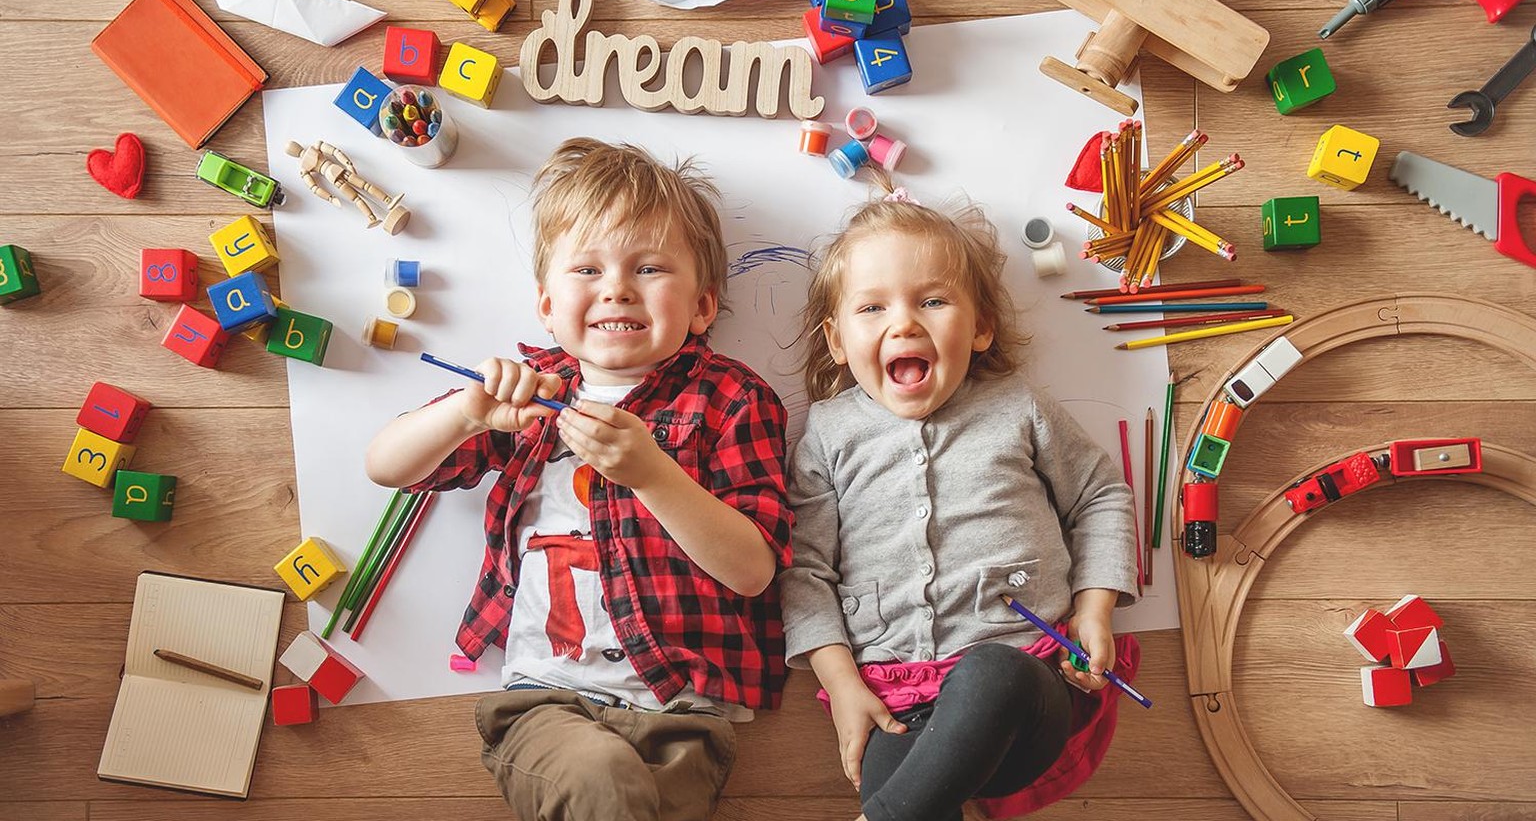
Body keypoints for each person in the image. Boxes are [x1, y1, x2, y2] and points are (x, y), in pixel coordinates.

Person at [365, 138, 792, 821]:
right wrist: (467, 414)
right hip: (544, 700)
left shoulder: (734, 400)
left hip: (682, 712)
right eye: (587, 268)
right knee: (596, 783)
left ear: (703, 308)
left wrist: (653, 474)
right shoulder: (525, 391)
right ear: (546, 305)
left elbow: (752, 571)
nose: (617, 287)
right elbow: (385, 465)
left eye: (648, 267)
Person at [779, 181, 1141, 821]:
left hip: (1031, 680)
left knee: (989, 674)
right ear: (836, 342)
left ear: (980, 328)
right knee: (895, 785)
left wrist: (1095, 608)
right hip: (898, 702)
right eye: (872, 309)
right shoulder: (828, 434)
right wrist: (841, 686)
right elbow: (805, 571)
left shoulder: (1016, 407)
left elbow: (1101, 494)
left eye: (933, 301)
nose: (904, 323)